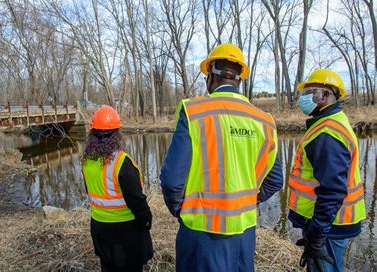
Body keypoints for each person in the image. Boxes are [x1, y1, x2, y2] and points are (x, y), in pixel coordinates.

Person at [160, 43, 284, 272]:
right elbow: (275, 180)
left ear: (210, 76)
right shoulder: (264, 121)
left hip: (201, 231)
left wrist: (182, 209)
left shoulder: (194, 112)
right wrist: (245, 201)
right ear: (239, 79)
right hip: (244, 233)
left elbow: (171, 181)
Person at [289, 69, 366, 272]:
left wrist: (316, 235)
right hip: (328, 223)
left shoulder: (328, 132)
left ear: (325, 95)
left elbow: (332, 190)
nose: (304, 98)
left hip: (329, 226)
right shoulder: (329, 123)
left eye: (310, 92)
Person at [82, 106, 153, 272]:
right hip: (126, 234)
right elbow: (137, 200)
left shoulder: (86, 161)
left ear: (92, 134)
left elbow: (90, 192)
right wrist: (147, 221)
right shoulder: (122, 162)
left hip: (100, 230)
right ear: (117, 134)